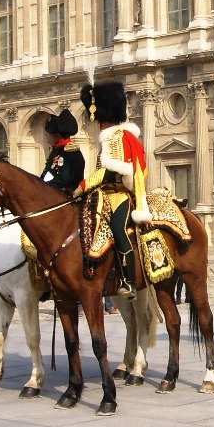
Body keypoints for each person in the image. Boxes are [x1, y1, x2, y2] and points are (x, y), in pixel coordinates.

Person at [75, 80, 151, 298]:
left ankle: (129, 281)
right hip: (102, 195)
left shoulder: (118, 137)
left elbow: (109, 172)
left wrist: (83, 186)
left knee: (118, 229)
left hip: (120, 195)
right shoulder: (109, 138)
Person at [40, 109, 85, 196]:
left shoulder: (71, 152)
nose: (46, 136)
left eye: (48, 134)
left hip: (67, 197)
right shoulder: (57, 150)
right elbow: (47, 173)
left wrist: (44, 186)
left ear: (56, 135)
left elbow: (65, 179)